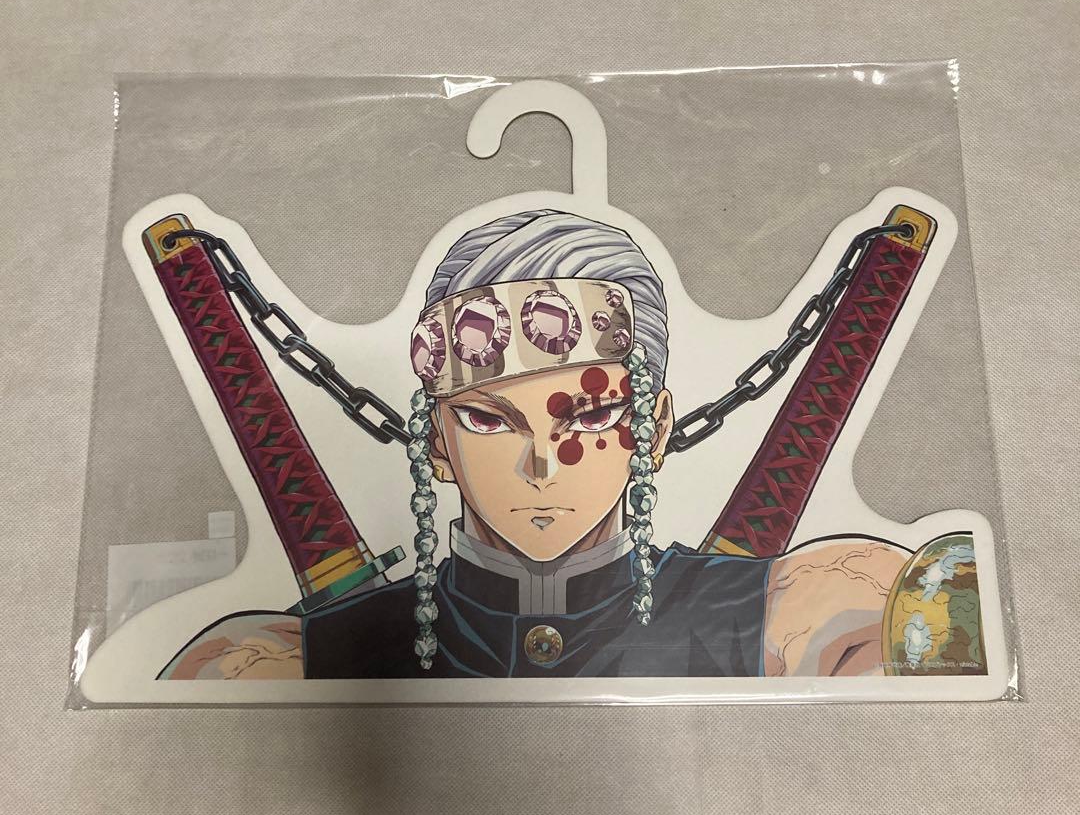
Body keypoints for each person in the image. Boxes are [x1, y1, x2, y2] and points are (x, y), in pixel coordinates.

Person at [161, 210, 981, 681]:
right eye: (490, 420)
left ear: (652, 429)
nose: (543, 465)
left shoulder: (809, 612)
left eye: (588, 418)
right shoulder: (277, 662)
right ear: (437, 443)